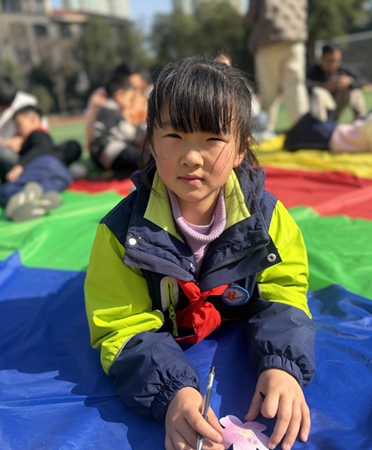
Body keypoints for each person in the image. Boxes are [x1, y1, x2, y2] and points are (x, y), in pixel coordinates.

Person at [85, 57, 316, 450]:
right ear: (151, 141)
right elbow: (120, 326)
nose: (191, 157)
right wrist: (172, 392)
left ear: (241, 148)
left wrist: (283, 364)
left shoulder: (268, 220)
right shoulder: (121, 236)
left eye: (212, 139)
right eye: (174, 135)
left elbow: (285, 292)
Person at [0, 76, 81, 182]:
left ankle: (47, 172)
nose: (6, 110)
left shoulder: (27, 101)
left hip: (31, 152)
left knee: (71, 146)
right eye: (2, 107)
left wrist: (22, 141)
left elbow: (42, 137)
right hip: (13, 159)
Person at [0, 105, 71, 222]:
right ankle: (42, 199)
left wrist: (20, 165)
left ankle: (20, 196)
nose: (17, 130)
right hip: (62, 174)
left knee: (3, 190)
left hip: (44, 163)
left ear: (33, 120)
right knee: (45, 187)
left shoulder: (35, 134)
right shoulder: (47, 139)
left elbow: (41, 147)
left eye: (19, 125)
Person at [246, 0, 309, 133]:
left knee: (268, 89)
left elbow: (251, 16)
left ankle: (266, 129)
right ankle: (304, 129)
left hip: (268, 39)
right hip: (294, 39)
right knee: (295, 87)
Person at [89, 73, 146, 175]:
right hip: (112, 153)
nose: (130, 102)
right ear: (119, 95)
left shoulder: (105, 110)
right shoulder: (113, 112)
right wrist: (145, 128)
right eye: (130, 98)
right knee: (149, 157)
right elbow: (132, 135)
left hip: (100, 155)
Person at [85, 63, 150, 151]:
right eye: (133, 88)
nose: (137, 93)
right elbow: (92, 134)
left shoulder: (141, 100)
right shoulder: (101, 98)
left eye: (140, 88)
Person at [214, 52, 270, 140]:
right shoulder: (209, 87)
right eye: (218, 65)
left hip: (242, 122)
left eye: (225, 66)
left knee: (262, 117)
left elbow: (254, 110)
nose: (222, 69)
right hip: (220, 124)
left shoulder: (241, 84)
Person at [306, 45, 367, 121]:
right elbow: (303, 86)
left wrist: (349, 82)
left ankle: (360, 116)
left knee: (352, 87)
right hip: (319, 111)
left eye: (337, 61)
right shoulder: (312, 71)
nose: (333, 64)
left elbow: (363, 81)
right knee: (318, 92)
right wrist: (324, 86)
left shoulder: (342, 69)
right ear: (321, 58)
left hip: (336, 109)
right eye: (330, 61)